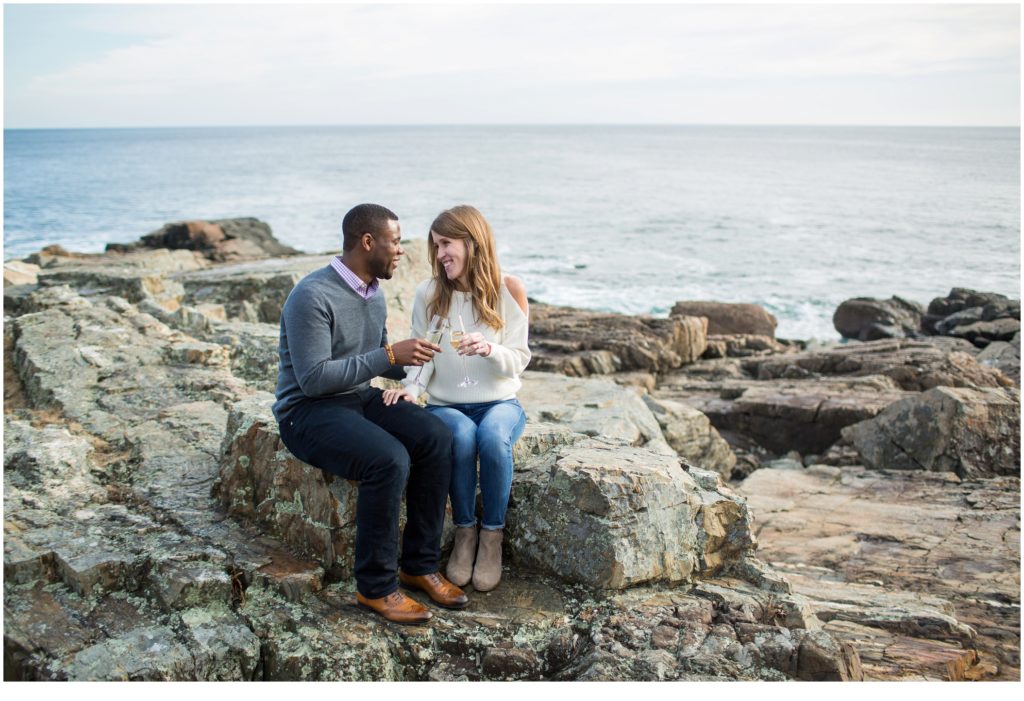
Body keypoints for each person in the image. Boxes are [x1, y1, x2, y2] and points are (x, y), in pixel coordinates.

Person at [273, 203, 468, 625]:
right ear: (368, 242)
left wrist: (420, 358)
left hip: (356, 398)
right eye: (395, 242)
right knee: (388, 458)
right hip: (306, 413)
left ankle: (418, 565)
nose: (400, 251)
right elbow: (313, 379)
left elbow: (375, 361)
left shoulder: (372, 292)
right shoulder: (312, 295)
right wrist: (386, 355)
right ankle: (375, 589)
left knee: (435, 437)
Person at [383, 205, 530, 592]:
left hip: (500, 402)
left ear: (472, 241)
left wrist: (489, 350)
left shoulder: (508, 289)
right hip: (446, 405)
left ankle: (492, 537)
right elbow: (423, 353)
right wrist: (411, 389)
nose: (441, 253)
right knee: (462, 437)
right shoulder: (429, 293)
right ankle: (466, 533)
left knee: (493, 439)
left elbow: (519, 361)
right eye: (436, 246)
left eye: (447, 243)